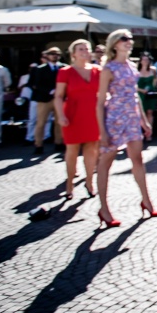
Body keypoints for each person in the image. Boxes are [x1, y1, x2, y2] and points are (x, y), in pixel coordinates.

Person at [95, 29, 157, 228]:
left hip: (131, 116)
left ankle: (146, 200)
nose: (129, 42)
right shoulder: (108, 68)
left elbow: (134, 94)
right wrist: (102, 131)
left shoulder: (132, 65)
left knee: (137, 159)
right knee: (106, 162)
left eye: (130, 39)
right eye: (124, 39)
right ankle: (104, 208)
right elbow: (99, 101)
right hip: (114, 117)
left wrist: (144, 121)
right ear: (114, 44)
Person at [54, 39, 100, 200]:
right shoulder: (65, 71)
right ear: (73, 53)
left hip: (93, 114)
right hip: (73, 114)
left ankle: (89, 181)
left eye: (87, 48)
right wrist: (60, 115)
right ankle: (69, 185)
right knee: (72, 151)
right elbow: (58, 96)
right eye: (80, 49)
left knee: (92, 149)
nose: (84, 51)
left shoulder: (97, 70)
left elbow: (103, 93)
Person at [29, 47, 64, 154]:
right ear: (47, 56)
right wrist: (51, 91)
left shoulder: (64, 68)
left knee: (59, 122)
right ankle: (38, 144)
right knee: (41, 122)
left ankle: (59, 143)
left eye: (57, 54)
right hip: (45, 99)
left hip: (60, 99)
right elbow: (36, 85)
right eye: (52, 54)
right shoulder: (40, 69)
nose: (54, 56)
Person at [136, 52, 157, 130]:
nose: (145, 61)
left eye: (147, 59)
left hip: (150, 93)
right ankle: (141, 130)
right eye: (143, 59)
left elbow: (156, 80)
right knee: (140, 113)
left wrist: (153, 87)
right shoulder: (136, 70)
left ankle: (149, 132)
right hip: (140, 93)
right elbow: (132, 85)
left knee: (150, 112)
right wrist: (141, 90)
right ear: (140, 61)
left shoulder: (153, 70)